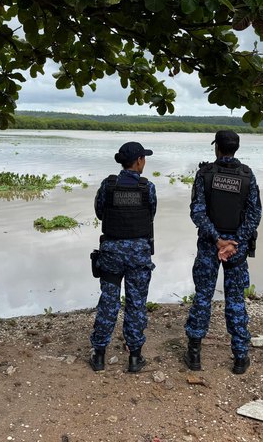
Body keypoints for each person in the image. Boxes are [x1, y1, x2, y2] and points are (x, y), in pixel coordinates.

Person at [184, 130, 262, 374]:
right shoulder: (247, 176)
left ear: (217, 148)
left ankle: (195, 355)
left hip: (210, 245)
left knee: (203, 297)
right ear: (235, 148)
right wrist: (235, 242)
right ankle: (240, 358)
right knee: (236, 300)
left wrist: (218, 240)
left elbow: (197, 212)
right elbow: (254, 215)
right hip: (236, 249)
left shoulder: (205, 174)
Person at [89, 142, 157, 373]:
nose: (144, 162)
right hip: (138, 254)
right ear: (138, 161)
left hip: (111, 253)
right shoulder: (147, 187)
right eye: (144, 158)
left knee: (108, 302)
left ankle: (99, 355)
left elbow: (100, 212)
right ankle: (135, 358)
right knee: (136, 304)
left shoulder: (108, 186)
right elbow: (151, 214)